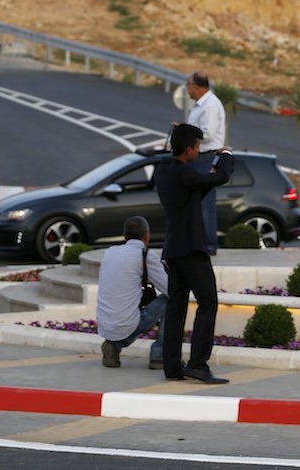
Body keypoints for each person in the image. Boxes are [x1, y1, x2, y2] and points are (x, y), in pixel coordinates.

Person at [156, 123, 234, 383]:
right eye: (198, 147)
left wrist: (207, 176)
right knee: (208, 301)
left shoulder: (165, 170)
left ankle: (172, 366)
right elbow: (221, 177)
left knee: (176, 306)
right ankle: (198, 364)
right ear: (188, 149)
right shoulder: (184, 174)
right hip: (190, 247)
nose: (199, 151)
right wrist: (226, 156)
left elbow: (192, 193)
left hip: (174, 248)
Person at [97, 215, 169, 369]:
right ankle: (159, 355)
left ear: (124, 235)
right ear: (146, 235)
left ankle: (114, 344)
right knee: (173, 300)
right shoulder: (145, 255)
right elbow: (170, 290)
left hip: (105, 324)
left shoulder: (110, 252)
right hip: (126, 323)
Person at [184, 70, 227, 255]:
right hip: (198, 157)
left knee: (205, 204)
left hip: (204, 157)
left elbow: (207, 134)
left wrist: (187, 133)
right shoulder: (200, 104)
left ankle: (210, 244)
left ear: (194, 86)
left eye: (188, 86)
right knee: (196, 202)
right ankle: (198, 242)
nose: (187, 90)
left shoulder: (210, 105)